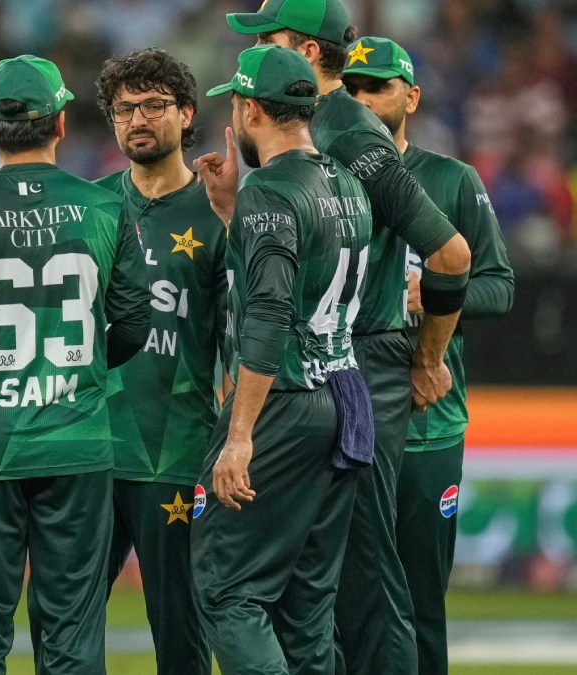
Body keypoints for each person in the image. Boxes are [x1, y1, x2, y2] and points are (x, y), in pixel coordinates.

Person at [224, 2, 473, 671]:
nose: (256, 49)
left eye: (269, 39)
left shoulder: (352, 134)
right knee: (317, 584)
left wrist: (428, 359)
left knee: (365, 572)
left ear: (307, 51)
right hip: (326, 365)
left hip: (360, 355)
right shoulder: (318, 127)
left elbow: (450, 255)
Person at [0, 54, 152, 675]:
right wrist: (85, 371)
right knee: (72, 636)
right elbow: (136, 323)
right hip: (78, 442)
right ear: (61, 123)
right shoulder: (105, 208)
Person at [190, 44, 372, 675]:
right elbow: (306, 273)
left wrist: (239, 435)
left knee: (227, 589)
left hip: (284, 400)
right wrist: (230, 213)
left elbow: (268, 313)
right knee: (306, 604)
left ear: (249, 110)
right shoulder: (347, 183)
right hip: (344, 397)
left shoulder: (269, 189)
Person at [342, 36, 515, 675]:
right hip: (340, 418)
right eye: (352, 89)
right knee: (340, 606)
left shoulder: (452, 179)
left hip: (426, 422)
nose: (362, 100)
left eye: (377, 87)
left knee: (418, 604)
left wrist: (441, 292)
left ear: (411, 97)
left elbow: (499, 286)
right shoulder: (322, 181)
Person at [91, 47, 226, 675]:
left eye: (153, 105)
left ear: (186, 113)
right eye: (124, 110)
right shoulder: (86, 206)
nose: (137, 120)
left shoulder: (220, 211)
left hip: (177, 453)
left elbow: (248, 332)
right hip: (87, 448)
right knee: (64, 625)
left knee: (181, 636)